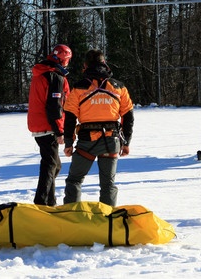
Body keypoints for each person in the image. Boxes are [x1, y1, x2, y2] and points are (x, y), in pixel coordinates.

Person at [63, 49, 134, 206]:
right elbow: (128, 117)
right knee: (108, 184)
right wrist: (126, 142)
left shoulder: (79, 88)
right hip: (111, 140)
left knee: (74, 180)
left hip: (87, 141)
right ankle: (108, 221)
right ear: (104, 63)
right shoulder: (119, 87)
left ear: (85, 65)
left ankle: (70, 216)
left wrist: (68, 142)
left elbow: (69, 116)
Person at [28, 44, 72, 206]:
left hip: (39, 123)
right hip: (48, 126)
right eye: (67, 60)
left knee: (54, 164)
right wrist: (60, 131)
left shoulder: (42, 73)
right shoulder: (55, 77)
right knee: (50, 164)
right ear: (62, 59)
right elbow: (55, 106)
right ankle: (42, 203)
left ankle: (50, 200)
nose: (68, 63)